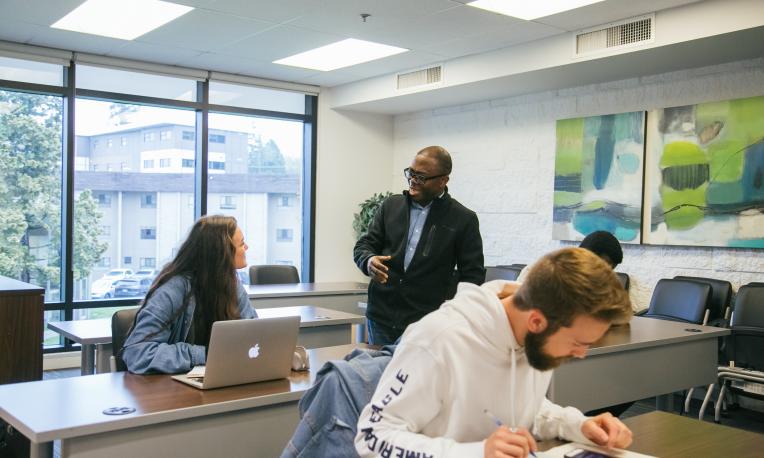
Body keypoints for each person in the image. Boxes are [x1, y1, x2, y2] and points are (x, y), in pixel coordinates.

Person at [355, 247, 633, 458]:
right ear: (537, 322)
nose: (581, 354)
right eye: (577, 342)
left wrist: (577, 424)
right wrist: (477, 452)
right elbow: (371, 437)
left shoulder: (534, 339)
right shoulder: (439, 340)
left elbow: (519, 408)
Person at [353, 145, 485, 345]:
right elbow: (364, 245)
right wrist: (368, 260)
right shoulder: (390, 206)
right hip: (381, 316)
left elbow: (473, 276)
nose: (413, 180)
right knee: (378, 374)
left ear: (443, 181)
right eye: (411, 173)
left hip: (426, 323)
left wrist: (456, 315)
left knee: (415, 376)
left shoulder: (463, 219)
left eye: (421, 177)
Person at [122, 215, 257, 374]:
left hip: (216, 378)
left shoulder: (231, 284)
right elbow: (138, 353)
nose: (246, 247)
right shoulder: (172, 289)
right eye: (241, 244)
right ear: (222, 252)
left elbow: (252, 335)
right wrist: (208, 354)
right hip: (170, 388)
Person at [516, 230, 623, 282]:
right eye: (604, 267)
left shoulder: (602, 285)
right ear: (587, 256)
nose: (607, 274)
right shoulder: (542, 272)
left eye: (611, 269)